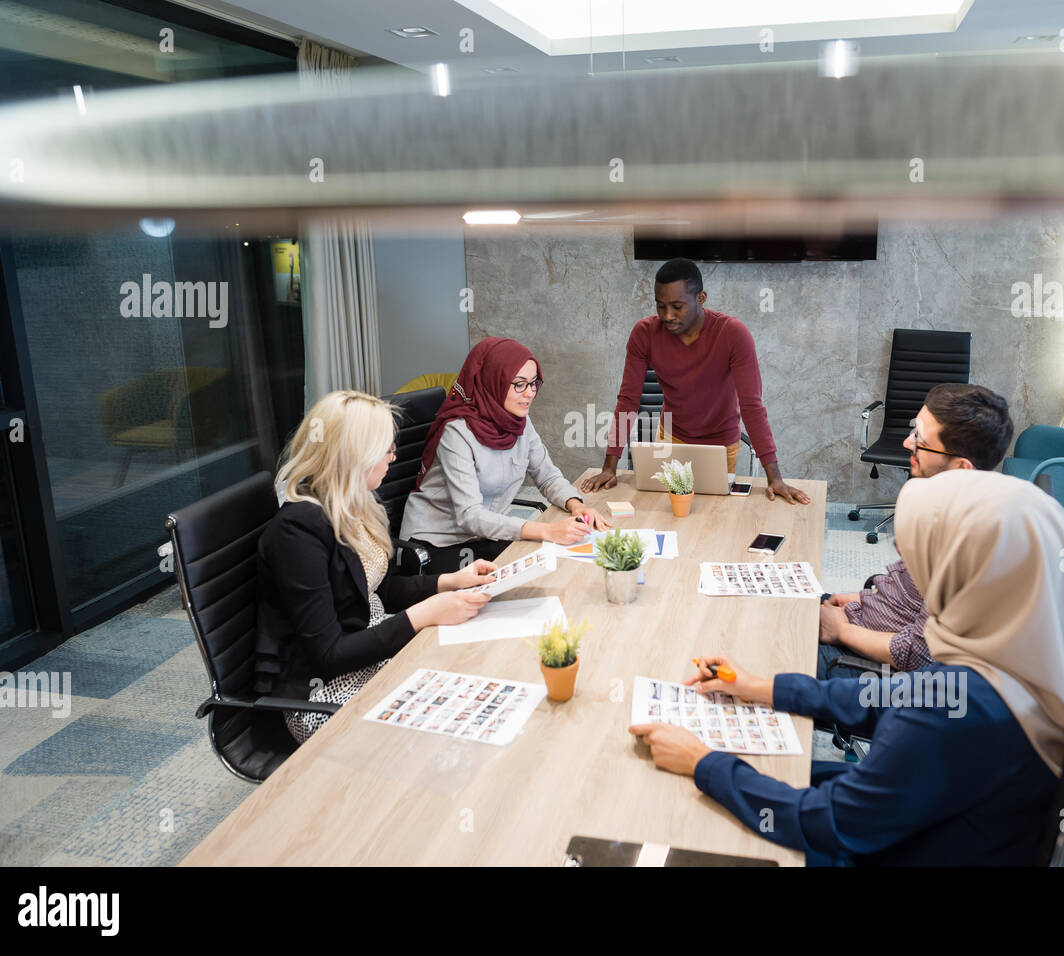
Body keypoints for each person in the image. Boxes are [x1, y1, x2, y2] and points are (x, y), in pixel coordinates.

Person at [629, 469, 1064, 866]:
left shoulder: (964, 701)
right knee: (777, 768)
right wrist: (758, 686)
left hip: (905, 847)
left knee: (685, 824)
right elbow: (884, 698)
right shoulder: (1037, 644)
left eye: (918, 561)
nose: (909, 575)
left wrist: (703, 763)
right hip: (952, 819)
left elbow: (830, 824)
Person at [254, 390, 498, 744]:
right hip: (323, 693)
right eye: (386, 449)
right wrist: (424, 614)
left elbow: (372, 588)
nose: (393, 457)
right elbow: (328, 655)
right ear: (356, 456)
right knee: (450, 724)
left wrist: (449, 581)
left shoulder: (354, 503)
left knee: (471, 672)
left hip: (370, 643)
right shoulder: (297, 532)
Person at [578, 258, 809, 504]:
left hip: (720, 445)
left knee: (713, 515)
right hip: (672, 438)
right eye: (660, 306)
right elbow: (627, 401)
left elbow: (752, 407)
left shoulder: (733, 334)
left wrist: (774, 477)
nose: (667, 316)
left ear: (701, 298)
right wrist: (609, 466)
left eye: (677, 306)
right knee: (666, 512)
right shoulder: (644, 333)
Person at [820, 383, 1014, 677]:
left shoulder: (966, 547)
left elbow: (917, 654)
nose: (907, 444)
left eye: (920, 440)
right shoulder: (945, 507)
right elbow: (912, 596)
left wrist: (840, 631)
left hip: (872, 670)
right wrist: (859, 598)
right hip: (863, 619)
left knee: (758, 644)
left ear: (962, 468)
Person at [401, 337, 612, 575]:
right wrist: (547, 530)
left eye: (533, 383)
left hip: (483, 536)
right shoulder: (457, 432)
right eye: (519, 384)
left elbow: (548, 477)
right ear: (494, 381)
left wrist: (575, 505)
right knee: (529, 576)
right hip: (437, 546)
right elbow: (470, 516)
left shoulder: (519, 422)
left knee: (555, 564)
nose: (530, 393)